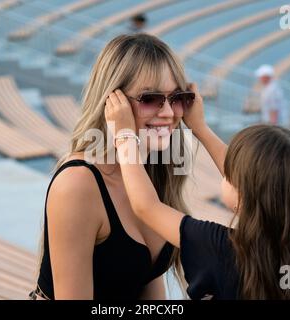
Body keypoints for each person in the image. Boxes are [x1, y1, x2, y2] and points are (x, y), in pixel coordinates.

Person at [104, 83, 290, 299]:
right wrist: (199, 127)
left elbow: (146, 206)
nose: (226, 171)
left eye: (230, 174)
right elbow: (255, 182)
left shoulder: (221, 248)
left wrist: (125, 136)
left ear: (243, 197)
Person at [30, 33, 196, 300]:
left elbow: (145, 279)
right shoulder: (79, 184)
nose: (167, 112)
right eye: (151, 98)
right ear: (112, 103)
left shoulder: (155, 169)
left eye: (177, 98)